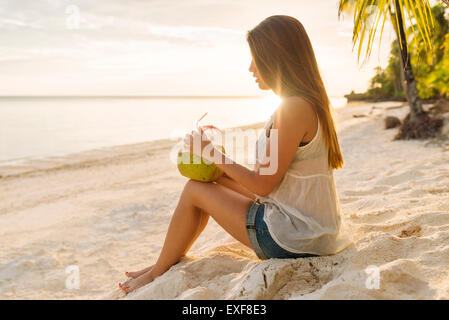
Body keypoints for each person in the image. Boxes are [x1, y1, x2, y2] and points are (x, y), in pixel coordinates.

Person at [119, 15, 349, 294]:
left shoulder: (292, 108)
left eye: (256, 58)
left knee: (194, 190)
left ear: (276, 58)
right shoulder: (306, 104)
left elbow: (261, 185)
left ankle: (158, 270)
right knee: (204, 185)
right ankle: (163, 263)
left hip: (293, 239)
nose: (251, 67)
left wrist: (210, 152)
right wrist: (216, 172)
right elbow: (269, 188)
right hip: (312, 233)